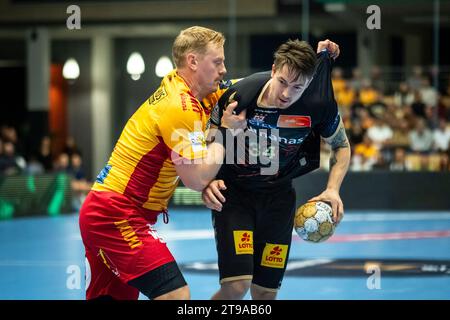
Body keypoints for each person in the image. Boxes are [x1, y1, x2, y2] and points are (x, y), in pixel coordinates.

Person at [78, 26, 246, 300]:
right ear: (192, 61)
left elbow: (251, 86)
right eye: (218, 62)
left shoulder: (195, 92)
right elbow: (195, 179)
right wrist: (226, 133)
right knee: (175, 295)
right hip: (115, 213)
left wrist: (309, 63)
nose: (224, 69)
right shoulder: (178, 106)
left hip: (110, 211)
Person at [202, 39, 351, 300]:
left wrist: (332, 189)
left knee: (265, 294)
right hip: (235, 195)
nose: (286, 93)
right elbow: (206, 138)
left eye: (297, 87)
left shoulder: (318, 104)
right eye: (282, 81)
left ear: (308, 84)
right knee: (237, 286)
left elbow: (341, 146)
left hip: (279, 200)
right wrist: (209, 178)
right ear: (273, 70)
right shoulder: (241, 96)